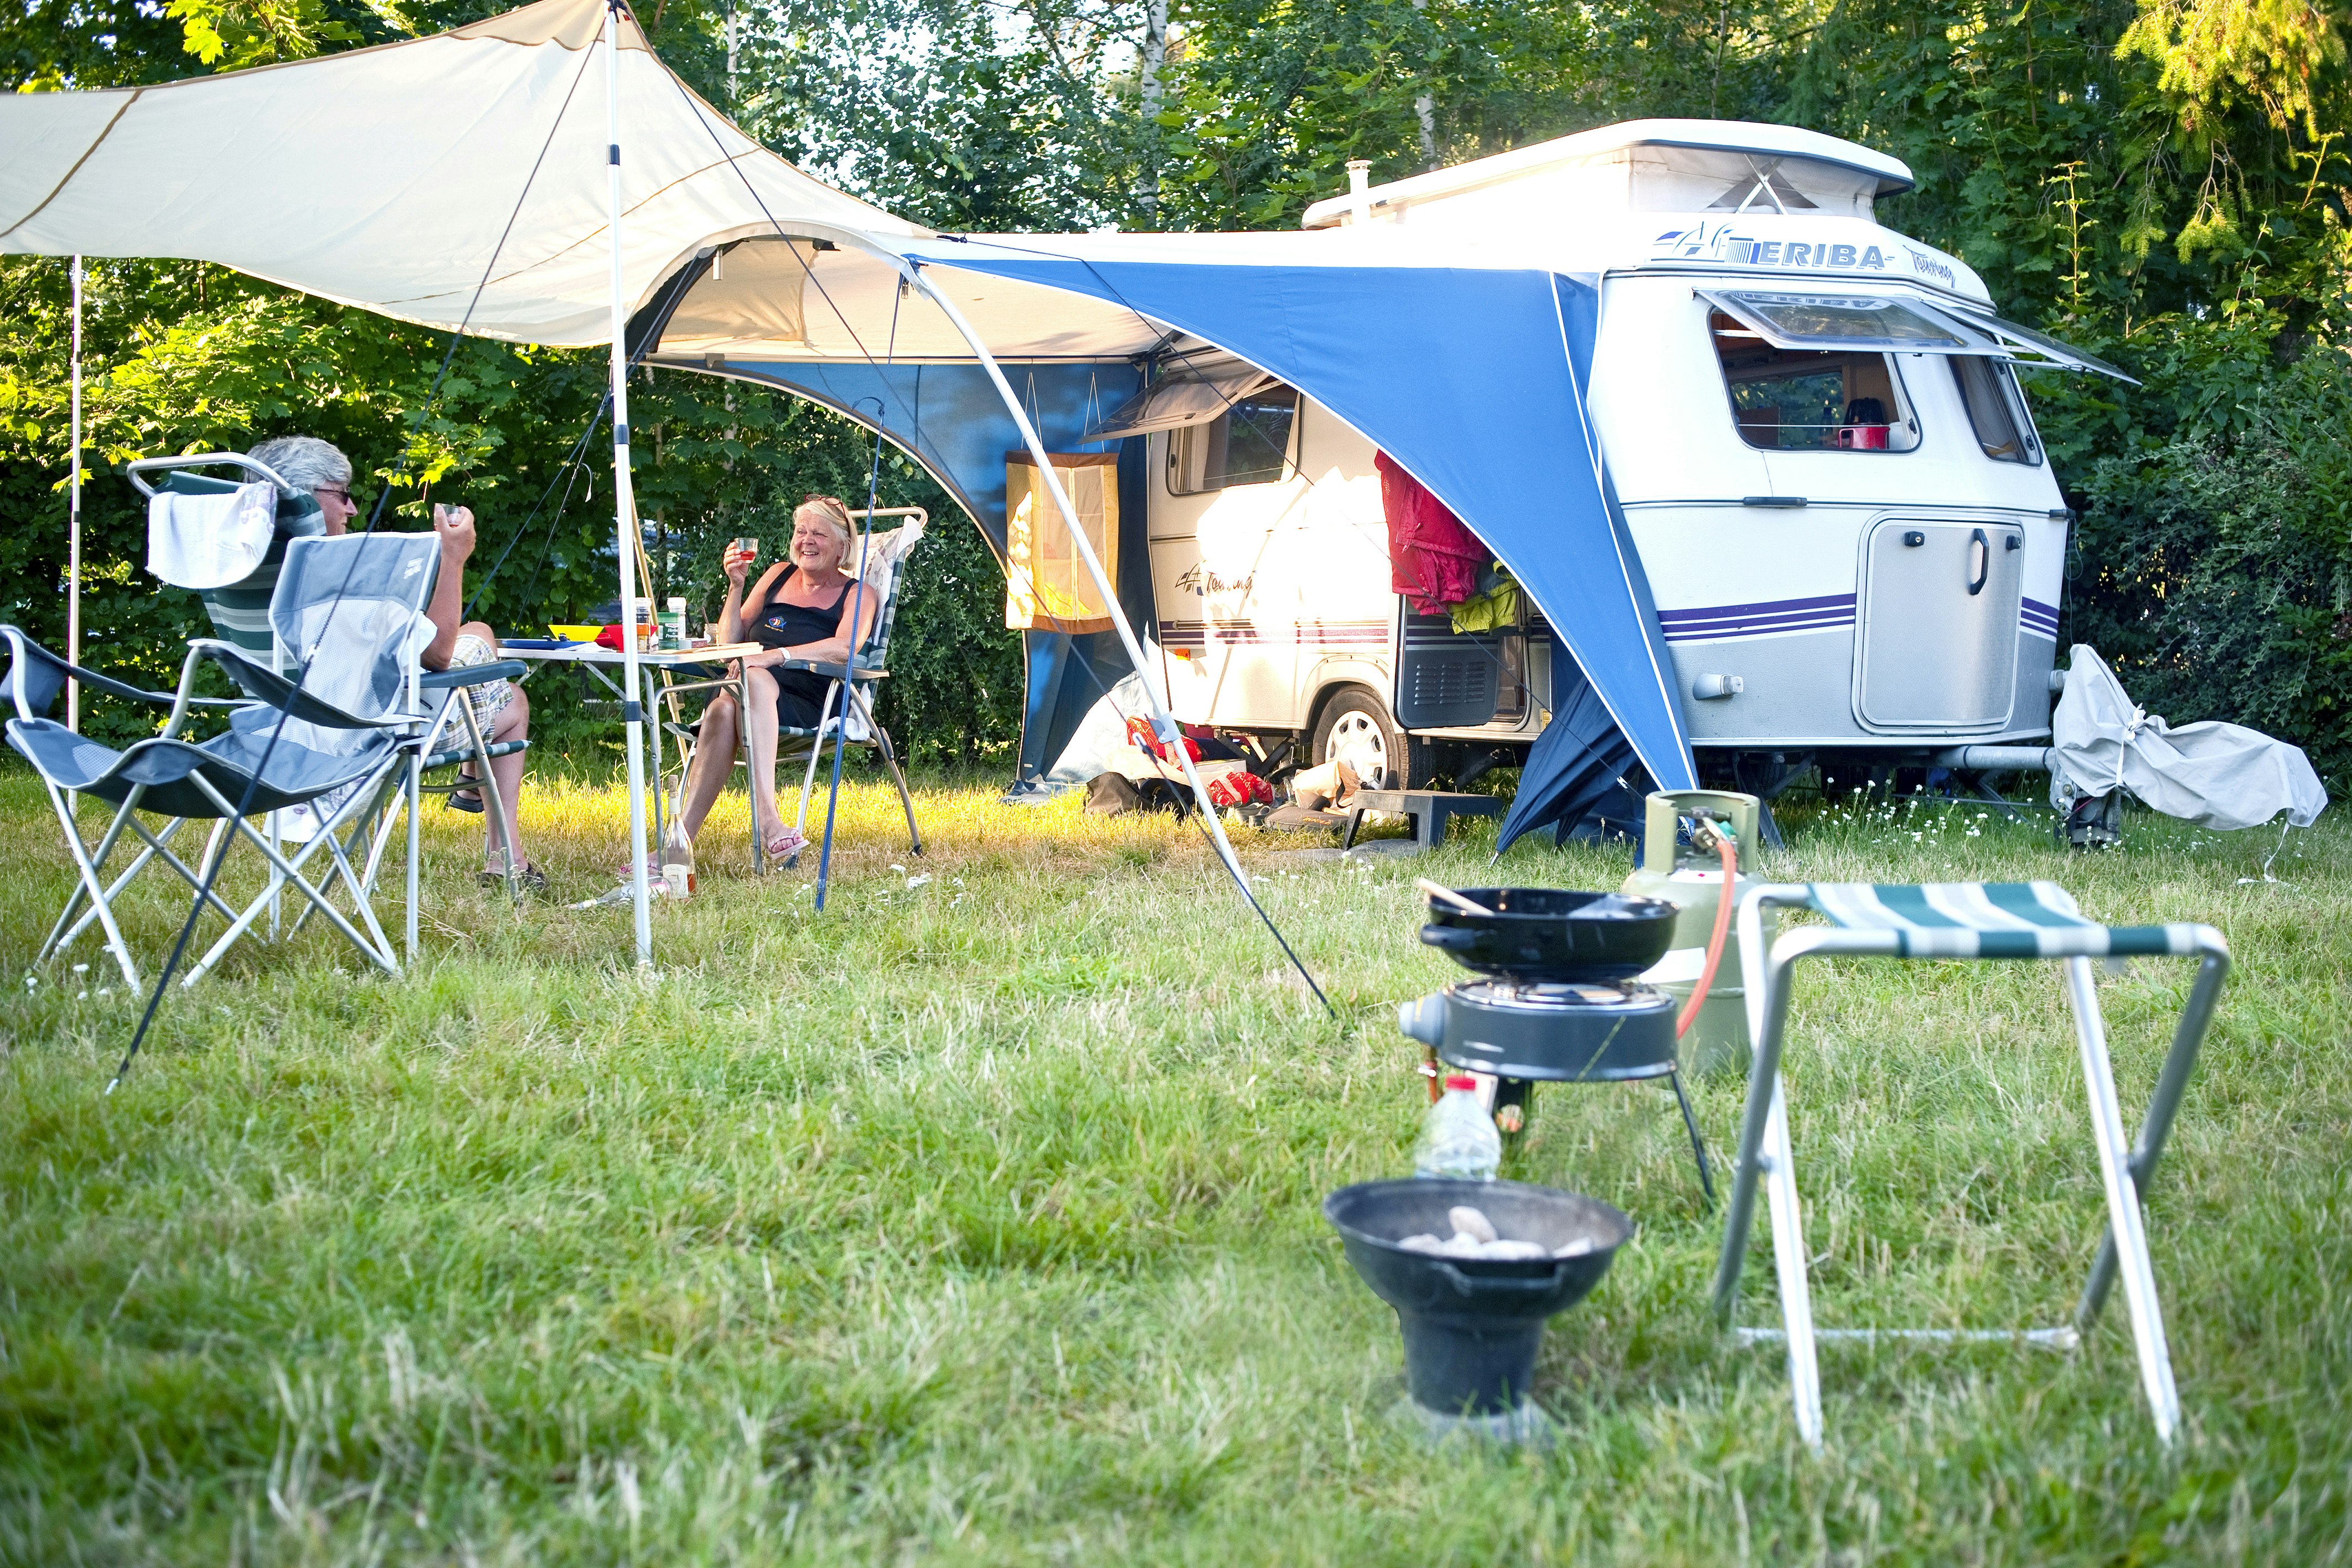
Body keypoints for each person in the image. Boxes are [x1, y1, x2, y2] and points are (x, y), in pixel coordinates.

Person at [245, 436, 541, 891]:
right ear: (302, 496)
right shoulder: (340, 574)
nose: (351, 509)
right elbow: (439, 654)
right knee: (498, 671)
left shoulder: (239, 571)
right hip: (371, 735)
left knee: (488, 658)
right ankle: (505, 857)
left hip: (276, 739)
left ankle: (486, 816)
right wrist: (452, 557)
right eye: (341, 494)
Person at [666, 494, 881, 867]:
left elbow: (845, 647)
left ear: (842, 547)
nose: (806, 541)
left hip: (808, 697)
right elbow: (729, 644)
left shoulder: (858, 593)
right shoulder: (777, 574)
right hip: (742, 689)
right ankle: (706, 840)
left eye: (819, 533)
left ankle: (723, 832)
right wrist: (735, 586)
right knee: (725, 702)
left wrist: (772, 656)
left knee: (737, 693)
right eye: (801, 531)